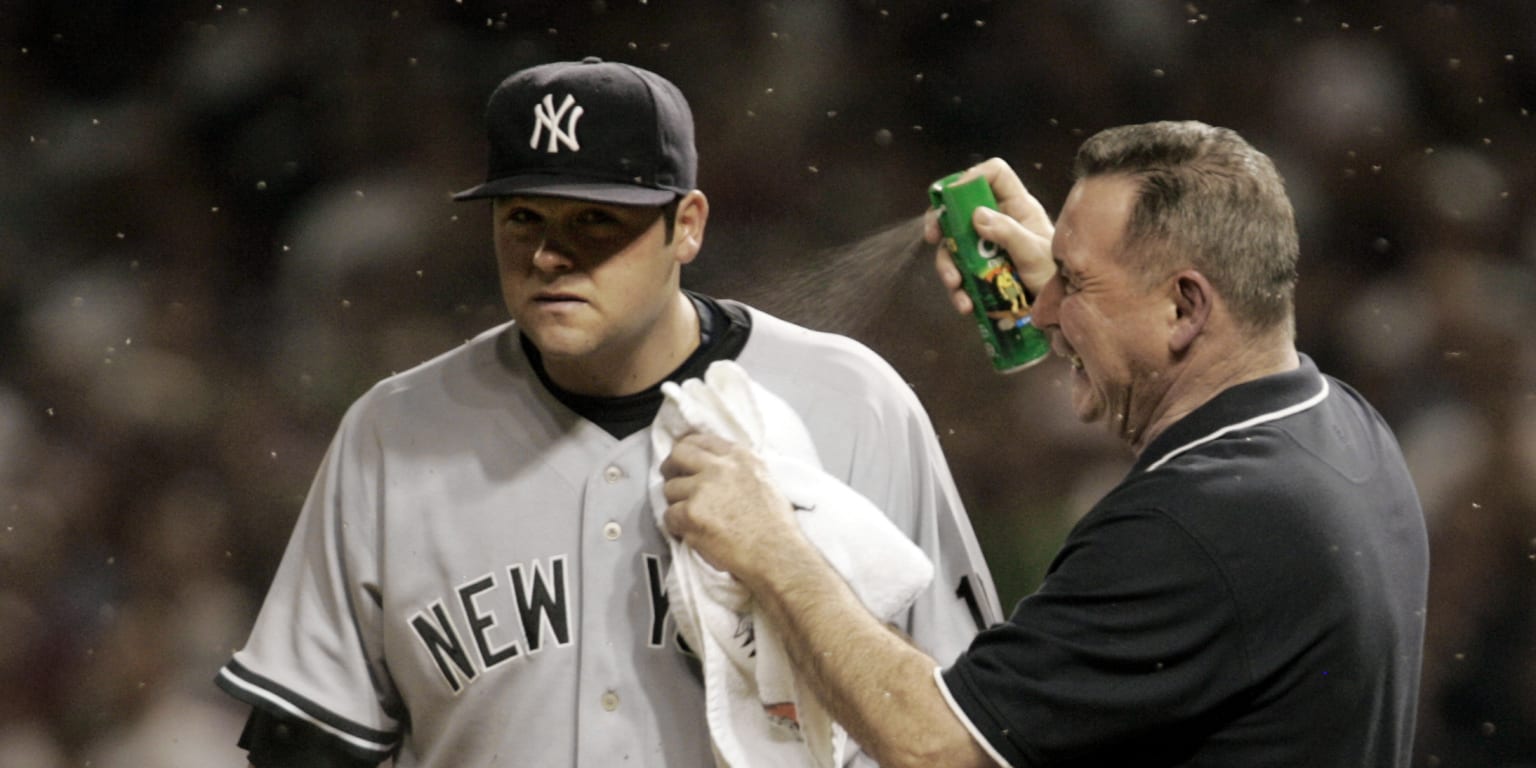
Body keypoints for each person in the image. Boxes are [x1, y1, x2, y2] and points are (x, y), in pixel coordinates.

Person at [215, 57, 1000, 767]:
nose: (550, 255)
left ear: (686, 224)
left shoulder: (851, 402)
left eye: (595, 218)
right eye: (523, 217)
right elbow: (305, 748)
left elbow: (969, 726)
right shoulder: (395, 430)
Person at [661, 121, 1429, 767]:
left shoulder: (1193, 529)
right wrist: (1084, 280)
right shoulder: (1343, 426)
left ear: (1186, 306)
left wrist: (773, 547)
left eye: (1073, 282)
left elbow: (939, 748)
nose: (1044, 310)